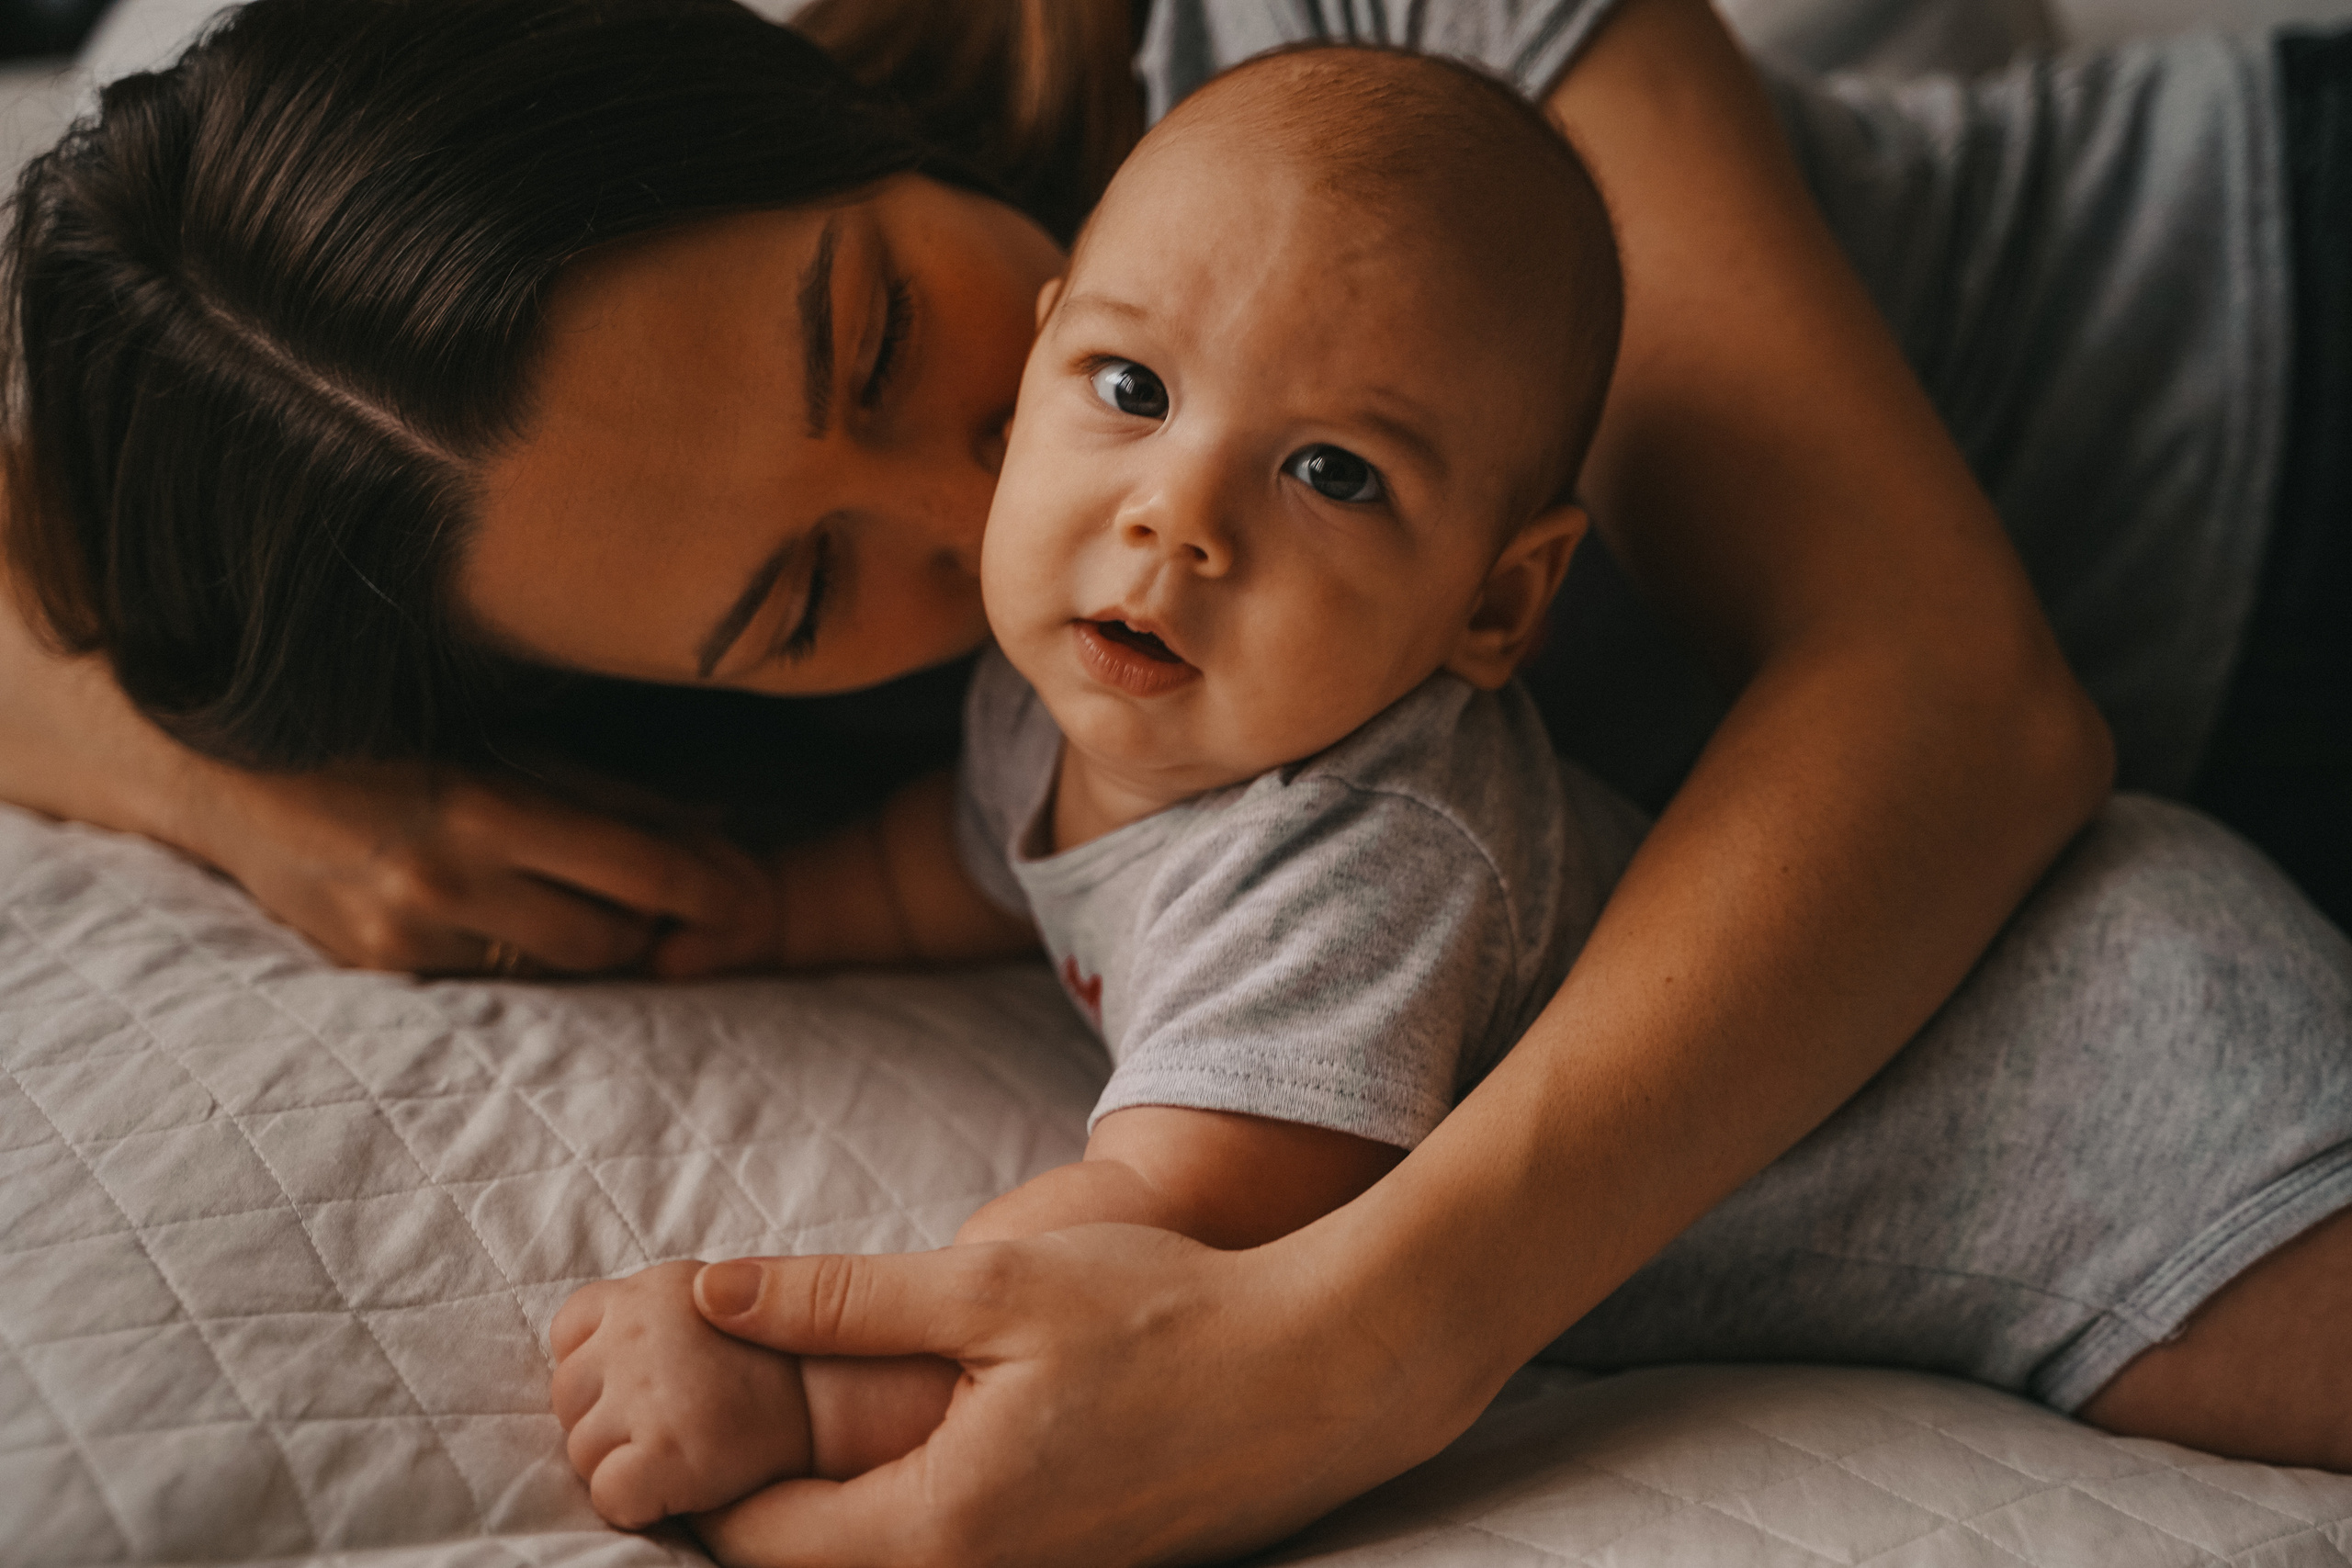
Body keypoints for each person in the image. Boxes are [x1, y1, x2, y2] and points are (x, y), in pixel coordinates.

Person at [0, 0, 2343, 1562]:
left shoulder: (1338, 72)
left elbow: (1954, 699)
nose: (1001, 519)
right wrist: (257, 803)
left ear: (811, 111)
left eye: (877, 337)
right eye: (805, 602)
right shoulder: (1042, 700)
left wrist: (1358, 1340)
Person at [548, 44, 1646, 1529]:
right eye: (1133, 389)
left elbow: (1161, 1238)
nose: (1174, 516)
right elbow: (954, 865)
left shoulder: (1366, 854)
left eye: (1332, 472)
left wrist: (802, 1390)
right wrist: (764, 913)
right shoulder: (1060, 690)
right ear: (1036, 374)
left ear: (1496, 604)